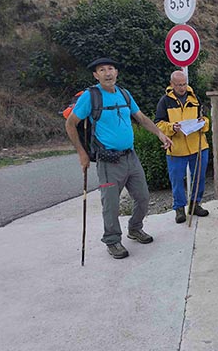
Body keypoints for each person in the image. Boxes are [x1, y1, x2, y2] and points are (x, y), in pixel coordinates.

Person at [65, 57, 172, 260]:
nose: (108, 73)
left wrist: (160, 133)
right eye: (102, 70)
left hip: (131, 156)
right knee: (111, 204)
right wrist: (82, 153)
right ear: (96, 75)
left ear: (117, 72)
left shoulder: (124, 94)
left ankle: (135, 228)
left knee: (143, 197)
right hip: (108, 160)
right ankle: (112, 240)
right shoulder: (91, 96)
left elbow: (141, 118)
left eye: (111, 68)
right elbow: (70, 124)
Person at [155, 71, 210, 223]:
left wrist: (203, 123)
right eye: (179, 85)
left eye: (184, 84)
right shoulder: (165, 101)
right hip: (176, 148)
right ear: (172, 84)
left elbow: (205, 118)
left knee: (199, 177)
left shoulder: (195, 98)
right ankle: (179, 209)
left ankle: (195, 204)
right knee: (177, 180)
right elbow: (158, 124)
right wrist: (172, 127)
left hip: (198, 146)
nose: (182, 88)